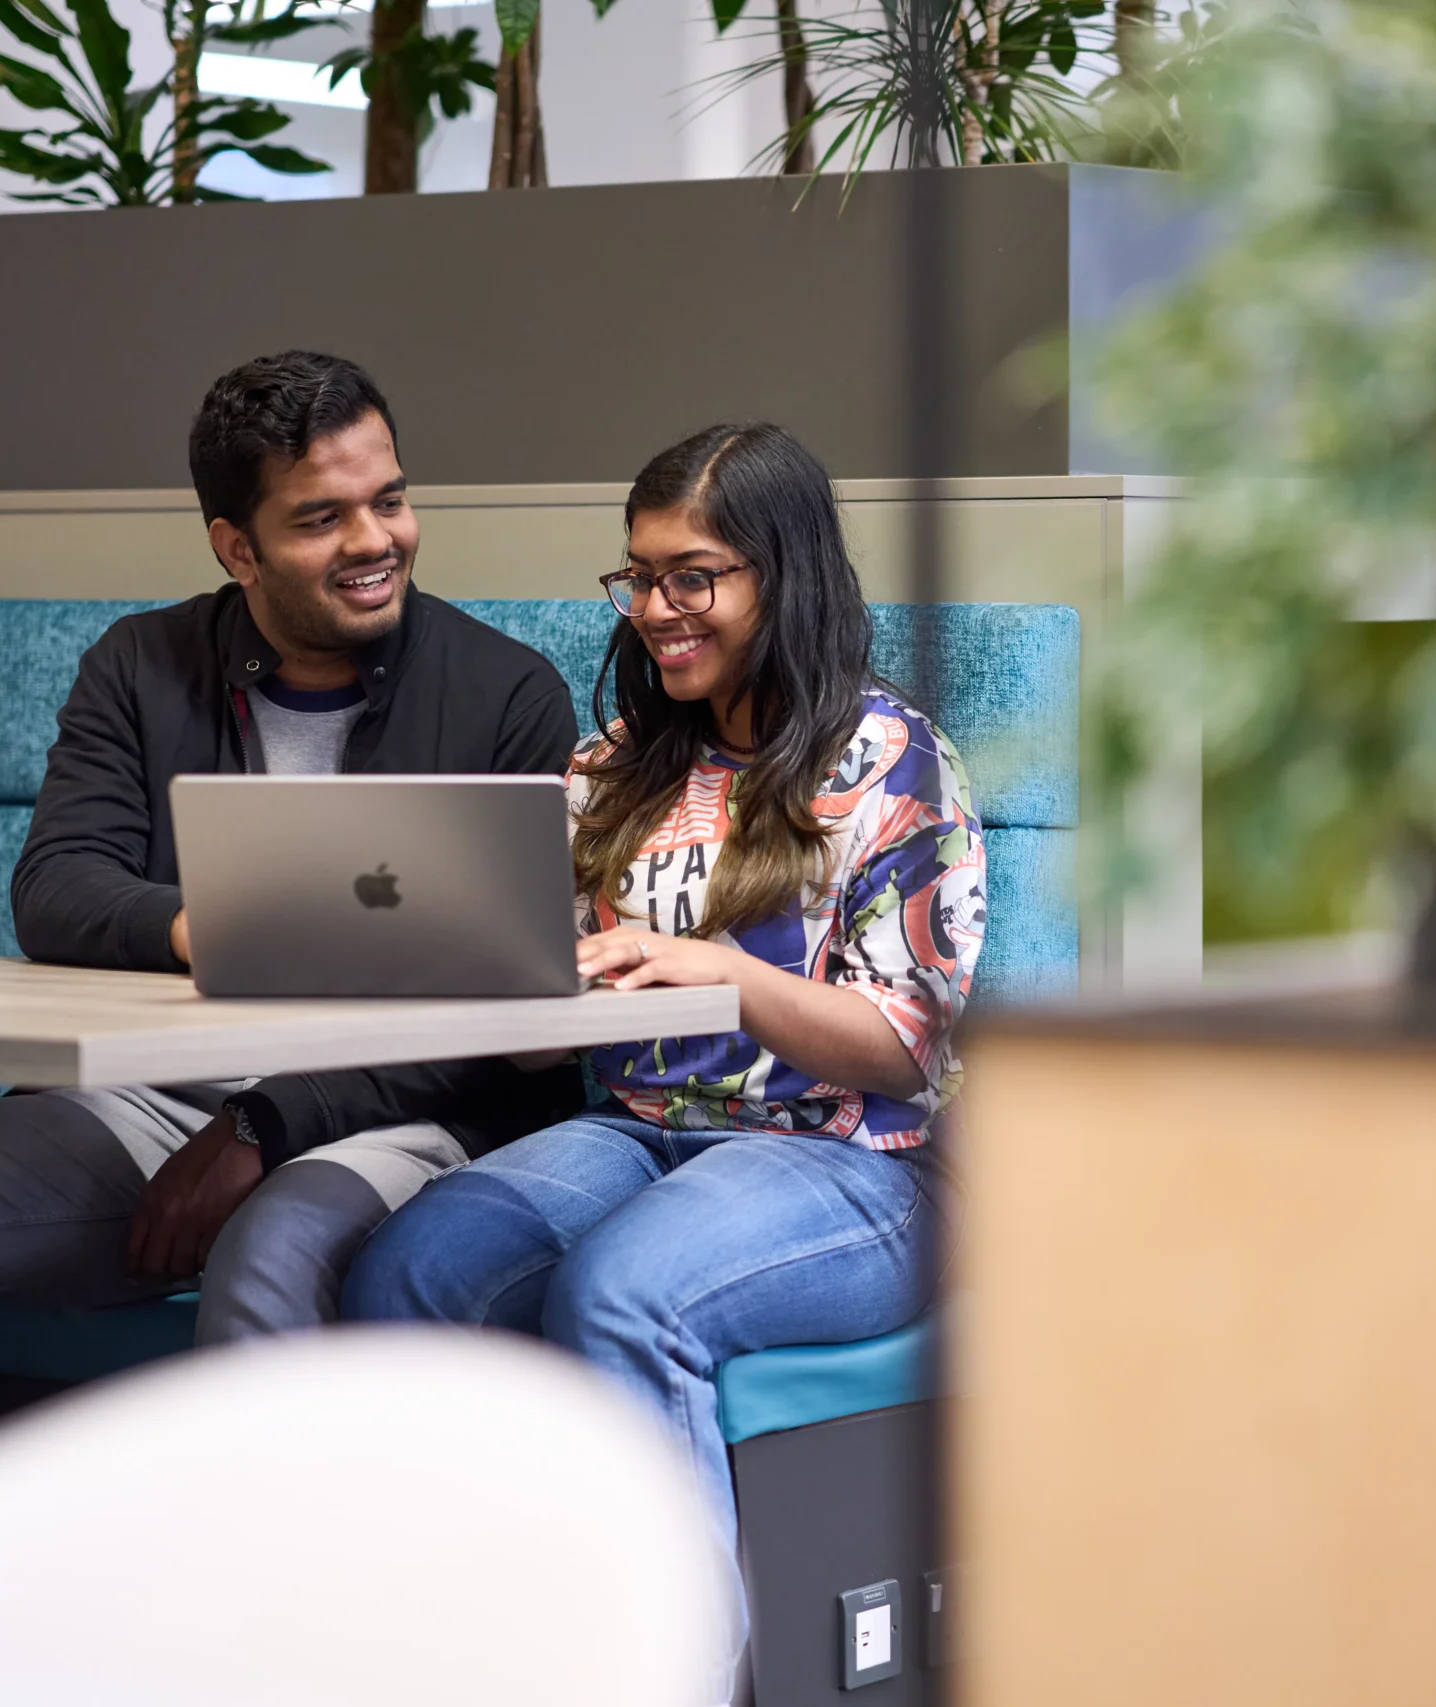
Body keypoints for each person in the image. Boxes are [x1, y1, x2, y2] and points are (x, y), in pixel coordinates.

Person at [0, 350, 583, 1440]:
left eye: (388, 500)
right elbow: (57, 891)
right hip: (157, 1094)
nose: (373, 542)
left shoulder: (505, 694)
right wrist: (203, 928)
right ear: (234, 547)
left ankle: (256, 1611)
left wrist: (267, 1121)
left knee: (275, 1243)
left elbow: (510, 1004)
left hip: (404, 1113)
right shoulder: (138, 664)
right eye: (321, 519)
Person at [341, 422, 984, 1664]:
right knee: (406, 1275)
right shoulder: (619, 769)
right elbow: (552, 1037)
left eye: (693, 576)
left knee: (625, 1294)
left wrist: (728, 977)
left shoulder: (891, 760)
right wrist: (488, 974)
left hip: (863, 1162)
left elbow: (904, 1044)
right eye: (637, 576)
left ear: (780, 579)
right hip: (639, 1132)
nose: (654, 608)